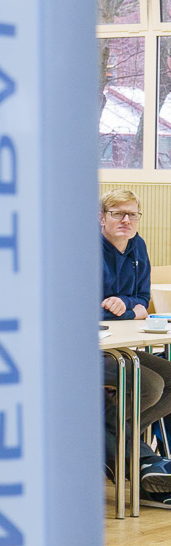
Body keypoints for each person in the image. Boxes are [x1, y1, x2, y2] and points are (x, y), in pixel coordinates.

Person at [99, 190, 171, 496]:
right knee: (150, 385)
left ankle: (113, 442)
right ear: (101, 218)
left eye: (132, 214)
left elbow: (143, 300)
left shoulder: (138, 246)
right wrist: (132, 309)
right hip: (85, 349)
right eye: (118, 213)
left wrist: (126, 305)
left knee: (169, 378)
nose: (126, 220)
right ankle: (141, 460)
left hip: (121, 344)